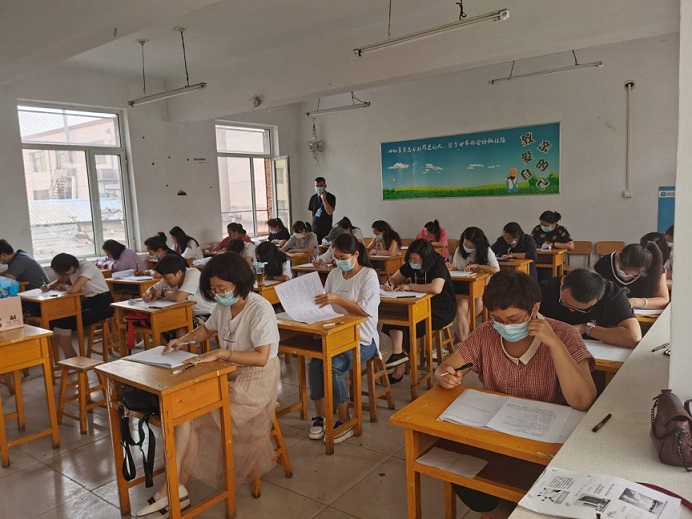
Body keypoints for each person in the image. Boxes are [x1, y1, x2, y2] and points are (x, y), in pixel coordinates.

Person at [435, 270, 596, 518]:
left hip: (545, 443)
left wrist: (554, 344)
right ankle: (499, 510)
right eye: (497, 318)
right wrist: (445, 375)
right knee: (458, 465)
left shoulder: (564, 334)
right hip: (498, 434)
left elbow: (583, 401)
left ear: (535, 309)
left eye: (513, 319)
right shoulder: (487, 333)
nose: (505, 326)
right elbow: (446, 367)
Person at [137, 252, 280, 517]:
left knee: (188, 419)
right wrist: (183, 340)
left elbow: (261, 357)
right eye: (213, 289)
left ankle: (173, 488)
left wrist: (221, 353)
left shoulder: (260, 309)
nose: (217, 293)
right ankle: (174, 488)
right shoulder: (224, 305)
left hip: (255, 381)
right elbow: (207, 329)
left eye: (221, 288)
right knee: (186, 415)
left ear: (239, 282)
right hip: (228, 372)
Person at [309, 234, 380, 443]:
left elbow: (365, 312)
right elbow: (325, 304)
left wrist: (338, 299)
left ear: (356, 254)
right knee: (315, 363)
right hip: (335, 335)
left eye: (343, 257)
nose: (339, 261)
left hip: (363, 339)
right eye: (336, 257)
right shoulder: (334, 274)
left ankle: (344, 419)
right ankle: (321, 417)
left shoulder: (368, 275)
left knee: (332, 365)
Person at [383, 239, 456, 384]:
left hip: (441, 309)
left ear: (425, 258)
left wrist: (410, 287)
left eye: (415, 260)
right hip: (418, 306)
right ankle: (398, 354)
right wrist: (390, 284)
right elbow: (394, 278)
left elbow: (436, 288)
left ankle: (399, 367)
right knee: (395, 319)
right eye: (410, 259)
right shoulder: (411, 263)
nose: (412, 262)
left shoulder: (437, 263)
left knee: (406, 326)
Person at [539, 268, 641, 348]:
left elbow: (633, 338)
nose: (571, 310)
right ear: (563, 281)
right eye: (565, 302)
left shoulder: (613, 295)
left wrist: (585, 329)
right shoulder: (545, 289)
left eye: (582, 309)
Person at [43, 253, 113, 359]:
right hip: (89, 303)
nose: (64, 276)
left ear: (71, 268)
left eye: (65, 273)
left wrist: (66, 287)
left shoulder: (87, 267)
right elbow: (60, 280)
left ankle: (72, 358)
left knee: (62, 323)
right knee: (54, 321)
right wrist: (48, 287)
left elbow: (74, 290)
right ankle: (71, 357)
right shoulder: (72, 269)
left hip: (102, 305)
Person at [143, 255, 214, 341]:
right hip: (186, 315)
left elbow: (179, 297)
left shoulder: (193, 273)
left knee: (182, 328)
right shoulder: (168, 279)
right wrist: (149, 294)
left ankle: (182, 350)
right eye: (163, 278)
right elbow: (152, 289)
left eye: (167, 278)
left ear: (179, 272)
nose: (165, 281)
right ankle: (167, 349)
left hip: (207, 314)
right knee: (160, 327)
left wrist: (164, 292)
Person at [447, 227, 500, 341]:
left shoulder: (486, 251)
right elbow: (457, 268)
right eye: (466, 245)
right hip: (464, 286)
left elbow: (496, 270)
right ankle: (464, 342)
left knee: (475, 305)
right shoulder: (459, 250)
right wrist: (452, 268)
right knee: (461, 308)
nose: (467, 248)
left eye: (471, 247)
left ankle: (459, 337)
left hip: (482, 287)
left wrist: (479, 266)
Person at [593, 242, 669, 310]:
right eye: (622, 269)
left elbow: (664, 300)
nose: (626, 274)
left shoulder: (654, 268)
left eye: (632, 273)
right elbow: (592, 294)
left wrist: (634, 302)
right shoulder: (603, 264)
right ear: (618, 256)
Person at [308, 177, 336, 243]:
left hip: (326, 231)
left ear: (325, 186)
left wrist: (324, 199)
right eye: (317, 186)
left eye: (321, 186)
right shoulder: (313, 198)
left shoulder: (331, 197)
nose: (318, 188)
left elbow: (330, 212)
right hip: (315, 230)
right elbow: (312, 214)